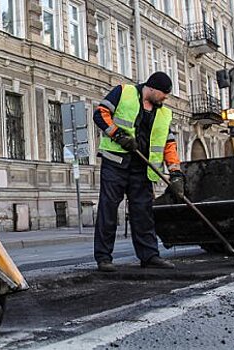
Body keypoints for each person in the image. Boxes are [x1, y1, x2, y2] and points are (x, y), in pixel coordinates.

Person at [92, 71, 184, 272]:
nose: (165, 98)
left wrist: (175, 172)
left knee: (143, 213)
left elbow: (169, 144)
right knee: (108, 210)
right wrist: (118, 135)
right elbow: (100, 113)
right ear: (151, 88)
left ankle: (149, 256)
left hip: (142, 169)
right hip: (116, 163)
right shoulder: (123, 92)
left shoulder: (163, 113)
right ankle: (103, 258)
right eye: (164, 93)